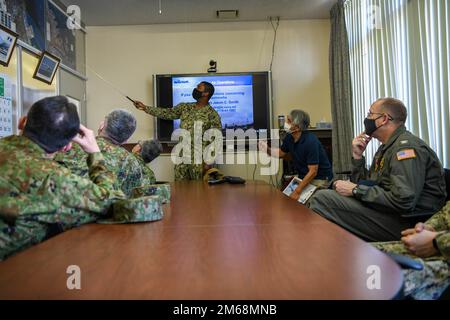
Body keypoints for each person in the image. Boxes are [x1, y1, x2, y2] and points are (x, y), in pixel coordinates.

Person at [0, 96, 125, 260]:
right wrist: (94, 152)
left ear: (22, 122)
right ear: (67, 146)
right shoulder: (54, 179)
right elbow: (115, 202)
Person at [309, 98, 446, 241]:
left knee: (322, 199)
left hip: (409, 224)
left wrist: (355, 190)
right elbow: (369, 184)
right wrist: (357, 157)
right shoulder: (386, 148)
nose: (367, 119)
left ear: (384, 119)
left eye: (370, 114)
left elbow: (404, 201)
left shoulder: (405, 149)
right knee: (328, 194)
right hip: (387, 213)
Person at [133, 81, 222, 181]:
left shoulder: (213, 115)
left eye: (199, 87)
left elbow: (216, 141)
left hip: (199, 160)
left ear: (206, 93)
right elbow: (167, 113)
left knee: (198, 190)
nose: (195, 89)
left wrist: (208, 163)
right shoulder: (185, 107)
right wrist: (145, 108)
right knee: (180, 188)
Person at [56, 109, 154, 197]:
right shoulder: (131, 163)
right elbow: (132, 200)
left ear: (102, 126)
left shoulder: (70, 147)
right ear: (126, 140)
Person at [373, 201, 450, 299]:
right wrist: (425, 229)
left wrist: (436, 240)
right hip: (434, 245)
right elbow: (445, 216)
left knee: (375, 280)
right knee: (358, 254)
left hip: (444, 264)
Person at [258, 109, 333, 201]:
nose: (285, 123)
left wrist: (297, 191)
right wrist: (267, 150)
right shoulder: (290, 137)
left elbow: (313, 172)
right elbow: (281, 153)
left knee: (303, 203)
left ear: (297, 127)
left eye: (289, 121)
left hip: (320, 178)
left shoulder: (310, 141)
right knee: (285, 199)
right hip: (303, 176)